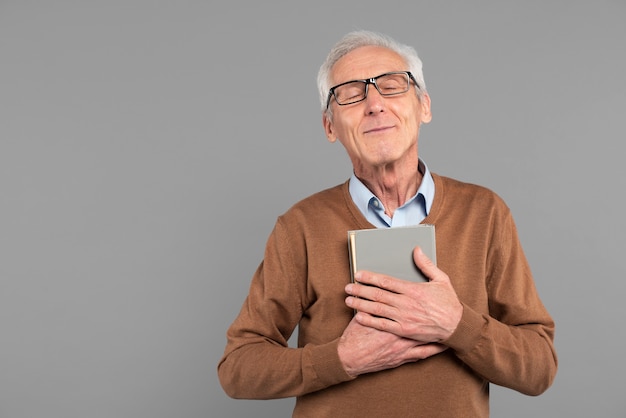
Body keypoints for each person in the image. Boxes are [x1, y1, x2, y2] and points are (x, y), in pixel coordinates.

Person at [217, 30, 557, 417]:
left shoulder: (485, 213)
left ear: (424, 106)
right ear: (330, 127)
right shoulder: (300, 227)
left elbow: (539, 369)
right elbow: (237, 369)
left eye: (392, 86)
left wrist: (457, 323)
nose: (375, 104)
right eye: (350, 93)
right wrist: (340, 359)